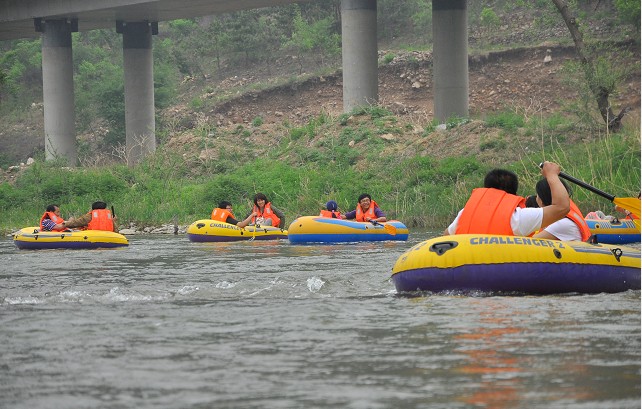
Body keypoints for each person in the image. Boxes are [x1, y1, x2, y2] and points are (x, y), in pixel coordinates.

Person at [444, 161, 570, 236]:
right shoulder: (518, 217)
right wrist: (552, 175)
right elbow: (562, 207)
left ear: (485, 189)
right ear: (513, 194)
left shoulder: (464, 213)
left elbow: (446, 235)